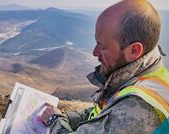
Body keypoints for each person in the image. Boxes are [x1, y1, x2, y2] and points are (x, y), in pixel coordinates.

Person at [40, 0, 169, 133]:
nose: (95, 52)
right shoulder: (147, 74)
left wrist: (54, 121)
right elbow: (101, 113)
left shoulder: (137, 107)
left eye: (102, 47)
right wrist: (63, 118)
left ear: (134, 51)